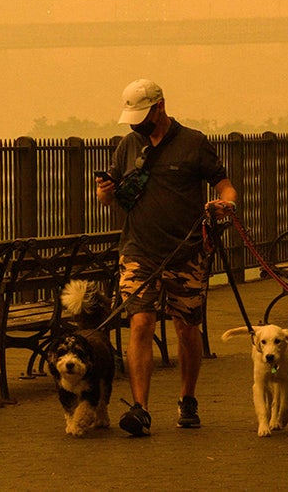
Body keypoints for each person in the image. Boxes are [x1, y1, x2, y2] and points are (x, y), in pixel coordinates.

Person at [95, 78, 237, 436]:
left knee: (186, 327)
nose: (135, 123)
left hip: (186, 250)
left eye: (142, 115)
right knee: (140, 322)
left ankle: (187, 398)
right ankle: (140, 407)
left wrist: (227, 204)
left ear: (160, 107)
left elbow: (224, 184)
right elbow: (107, 199)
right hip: (138, 250)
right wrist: (104, 192)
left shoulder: (194, 143)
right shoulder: (128, 145)